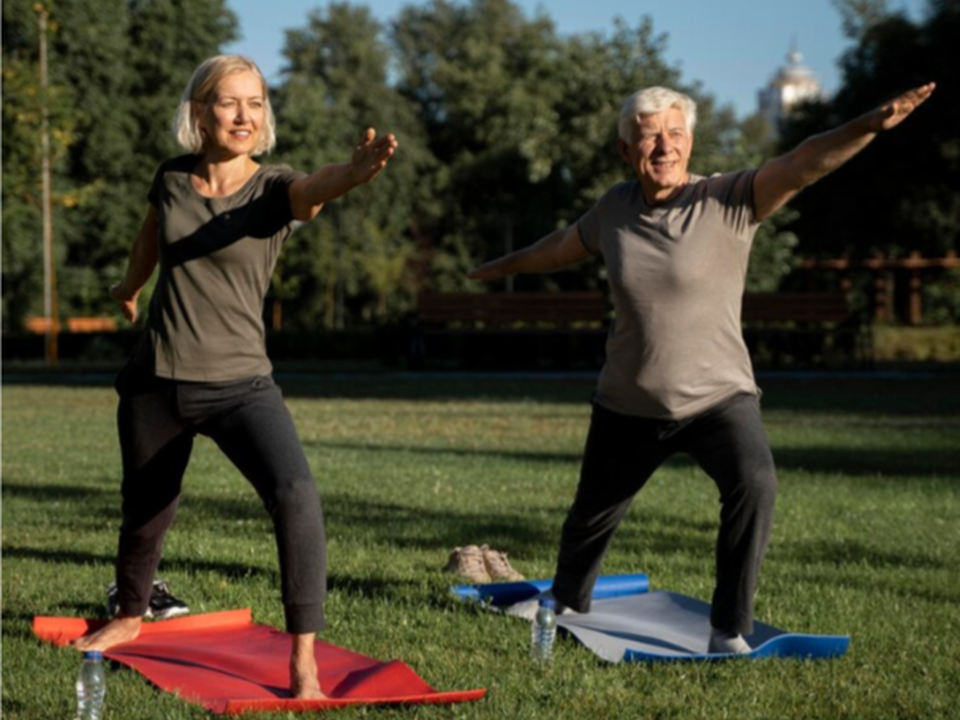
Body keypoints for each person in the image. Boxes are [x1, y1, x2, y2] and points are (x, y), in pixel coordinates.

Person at [470, 82, 934, 653]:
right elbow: (563, 243)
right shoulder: (614, 208)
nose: (663, 147)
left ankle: (729, 629)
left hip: (719, 397)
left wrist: (866, 124)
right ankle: (565, 600)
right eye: (648, 137)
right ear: (625, 151)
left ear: (690, 143)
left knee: (754, 484)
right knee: (591, 513)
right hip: (628, 401)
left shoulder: (729, 198)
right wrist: (504, 267)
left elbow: (802, 163)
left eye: (675, 134)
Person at [71, 54, 398, 698]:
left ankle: (304, 660)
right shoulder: (170, 179)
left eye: (255, 102)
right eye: (229, 102)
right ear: (199, 111)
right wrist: (127, 287)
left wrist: (352, 177)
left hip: (240, 385)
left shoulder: (273, 189)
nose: (244, 115)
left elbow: (315, 188)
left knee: (296, 494)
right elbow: (152, 238)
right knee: (146, 509)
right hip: (156, 381)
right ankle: (130, 616)